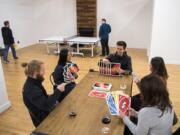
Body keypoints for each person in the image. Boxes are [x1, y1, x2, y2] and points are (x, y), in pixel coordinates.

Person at [22, 60, 67, 127]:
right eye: (42, 70)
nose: (44, 72)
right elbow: (46, 106)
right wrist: (58, 90)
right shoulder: (31, 89)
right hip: (43, 120)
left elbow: (42, 98)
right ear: (35, 73)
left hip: (44, 111)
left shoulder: (34, 82)